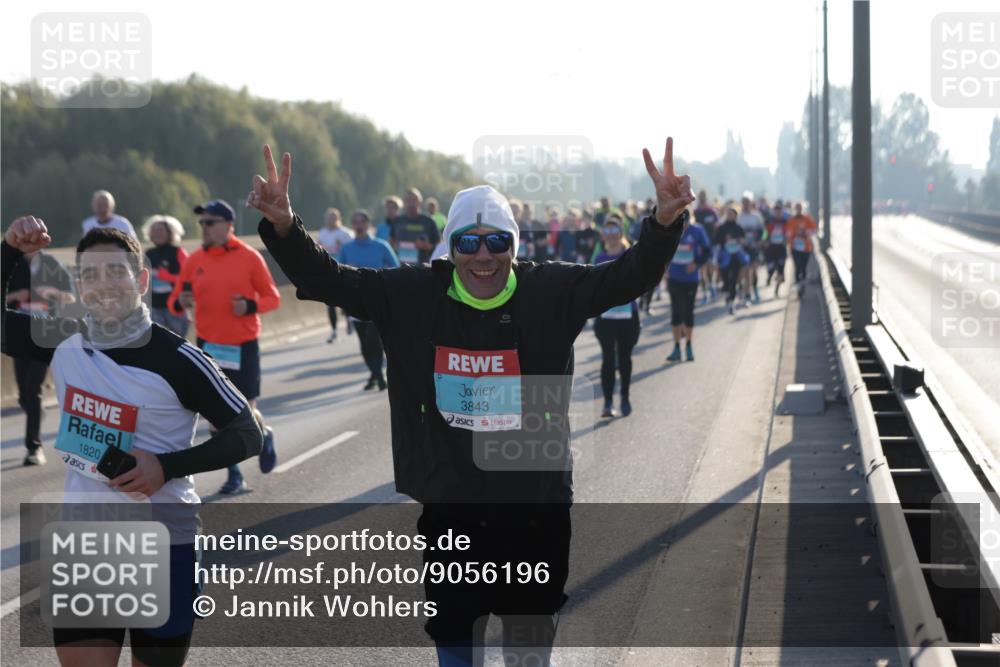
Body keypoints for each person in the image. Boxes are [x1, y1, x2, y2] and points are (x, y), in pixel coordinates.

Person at [248, 138, 692, 667]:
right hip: (452, 508)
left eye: (497, 242)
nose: (483, 256)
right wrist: (283, 227)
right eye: (469, 242)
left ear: (514, 244)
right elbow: (325, 279)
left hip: (534, 509)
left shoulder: (551, 289)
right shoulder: (413, 295)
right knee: (457, 648)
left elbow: (631, 275)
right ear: (449, 247)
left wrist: (663, 223)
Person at [2, 217, 262, 667]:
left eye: (116, 272)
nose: (104, 285)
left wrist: (166, 466)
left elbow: (248, 432)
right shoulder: (62, 338)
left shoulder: (180, 359)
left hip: (165, 544)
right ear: (79, 287)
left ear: (140, 281)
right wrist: (8, 250)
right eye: (90, 275)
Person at [168, 199, 280, 495]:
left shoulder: (249, 257)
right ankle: (234, 475)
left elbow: (273, 298)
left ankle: (264, 434)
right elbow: (174, 302)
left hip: (243, 346)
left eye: (210, 222)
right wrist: (181, 303)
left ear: (228, 225)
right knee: (217, 417)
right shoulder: (194, 260)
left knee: (246, 411)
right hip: (207, 348)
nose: (203, 228)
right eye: (202, 223)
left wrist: (251, 305)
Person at [4, 247, 75, 465]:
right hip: (19, 333)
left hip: (46, 333)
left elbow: (70, 297)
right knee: (24, 395)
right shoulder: (12, 265)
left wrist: (52, 293)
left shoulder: (52, 265)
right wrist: (16, 296)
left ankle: (34, 449)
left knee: (33, 389)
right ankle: (35, 411)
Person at [338, 209, 400, 390]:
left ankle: (379, 376)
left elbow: (396, 268)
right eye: (355, 222)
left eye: (362, 222)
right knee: (364, 343)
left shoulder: (381, 246)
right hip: (355, 301)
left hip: (378, 300)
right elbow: (337, 273)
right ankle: (376, 374)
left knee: (374, 339)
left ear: (368, 225)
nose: (358, 226)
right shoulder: (346, 248)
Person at [591, 215, 641, 418]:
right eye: (607, 232)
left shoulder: (630, 254)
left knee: (625, 358)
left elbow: (640, 279)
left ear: (620, 234)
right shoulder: (599, 259)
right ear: (603, 235)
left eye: (615, 231)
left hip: (628, 316)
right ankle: (608, 402)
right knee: (608, 360)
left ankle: (625, 397)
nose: (611, 236)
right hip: (606, 319)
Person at [665, 208, 712, 362]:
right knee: (676, 312)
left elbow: (707, 250)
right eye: (680, 222)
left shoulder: (697, 231)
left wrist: (696, 264)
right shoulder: (670, 230)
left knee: (688, 312)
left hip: (691, 279)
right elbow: (662, 251)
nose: (683, 226)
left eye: (685, 222)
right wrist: (664, 269)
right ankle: (677, 347)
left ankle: (689, 346)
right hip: (674, 278)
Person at [142, 215, 190, 338]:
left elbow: (188, 278)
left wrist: (164, 276)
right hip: (155, 308)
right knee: (157, 343)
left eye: (161, 230)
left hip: (175, 308)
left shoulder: (179, 252)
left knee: (178, 344)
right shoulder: (148, 253)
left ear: (170, 233)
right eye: (154, 230)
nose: (157, 233)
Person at [317, 207, 355, 342]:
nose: (332, 220)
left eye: (334, 217)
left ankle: (349, 319)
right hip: (327, 271)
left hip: (343, 269)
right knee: (330, 302)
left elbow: (352, 249)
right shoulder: (322, 233)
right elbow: (318, 249)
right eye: (329, 217)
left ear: (339, 219)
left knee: (345, 299)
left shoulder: (346, 233)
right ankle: (334, 330)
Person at [714, 207, 749, 315]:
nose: (730, 216)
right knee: (725, 279)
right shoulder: (721, 227)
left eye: (732, 214)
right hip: (724, 257)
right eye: (728, 214)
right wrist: (725, 240)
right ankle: (727, 293)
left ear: (735, 215)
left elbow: (744, 241)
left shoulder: (739, 228)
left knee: (733, 279)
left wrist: (739, 241)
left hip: (736, 257)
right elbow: (716, 241)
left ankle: (731, 303)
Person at [391, 188, 440, 265]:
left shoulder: (429, 221)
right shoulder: (397, 221)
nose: (411, 204)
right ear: (404, 202)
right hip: (400, 268)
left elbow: (439, 246)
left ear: (420, 202)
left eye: (414, 200)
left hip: (422, 268)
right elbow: (391, 241)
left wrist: (427, 246)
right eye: (408, 200)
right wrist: (395, 247)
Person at [736, 195, 765, 305]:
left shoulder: (757, 216)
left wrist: (760, 241)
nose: (746, 205)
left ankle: (755, 289)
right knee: (746, 270)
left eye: (747, 203)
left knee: (754, 271)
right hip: (743, 248)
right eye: (744, 203)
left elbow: (763, 231)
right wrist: (740, 240)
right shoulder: (739, 217)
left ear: (751, 204)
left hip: (754, 247)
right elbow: (736, 232)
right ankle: (747, 294)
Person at [786, 202, 818, 297]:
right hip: (795, 247)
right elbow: (788, 233)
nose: (798, 210)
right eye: (797, 208)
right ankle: (798, 284)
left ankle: (802, 284)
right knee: (797, 265)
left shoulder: (807, 219)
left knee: (803, 267)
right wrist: (793, 235)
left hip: (806, 248)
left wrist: (805, 232)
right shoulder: (791, 220)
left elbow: (814, 229)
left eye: (800, 208)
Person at [693, 190, 720, 304]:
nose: (702, 198)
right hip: (699, 244)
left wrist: (715, 241)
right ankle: (705, 293)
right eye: (701, 196)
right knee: (702, 269)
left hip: (711, 244)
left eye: (704, 196)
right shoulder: (696, 212)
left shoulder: (711, 211)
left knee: (710, 267)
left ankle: (711, 285)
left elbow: (717, 227)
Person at [763, 203, 788, 297]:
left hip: (781, 248)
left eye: (779, 212)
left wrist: (786, 241)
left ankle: (777, 290)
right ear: (773, 212)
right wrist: (765, 240)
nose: (777, 213)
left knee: (780, 269)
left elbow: (787, 233)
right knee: (771, 267)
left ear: (782, 212)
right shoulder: (769, 221)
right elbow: (765, 232)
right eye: (776, 212)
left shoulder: (785, 221)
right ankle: (769, 276)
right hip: (770, 248)